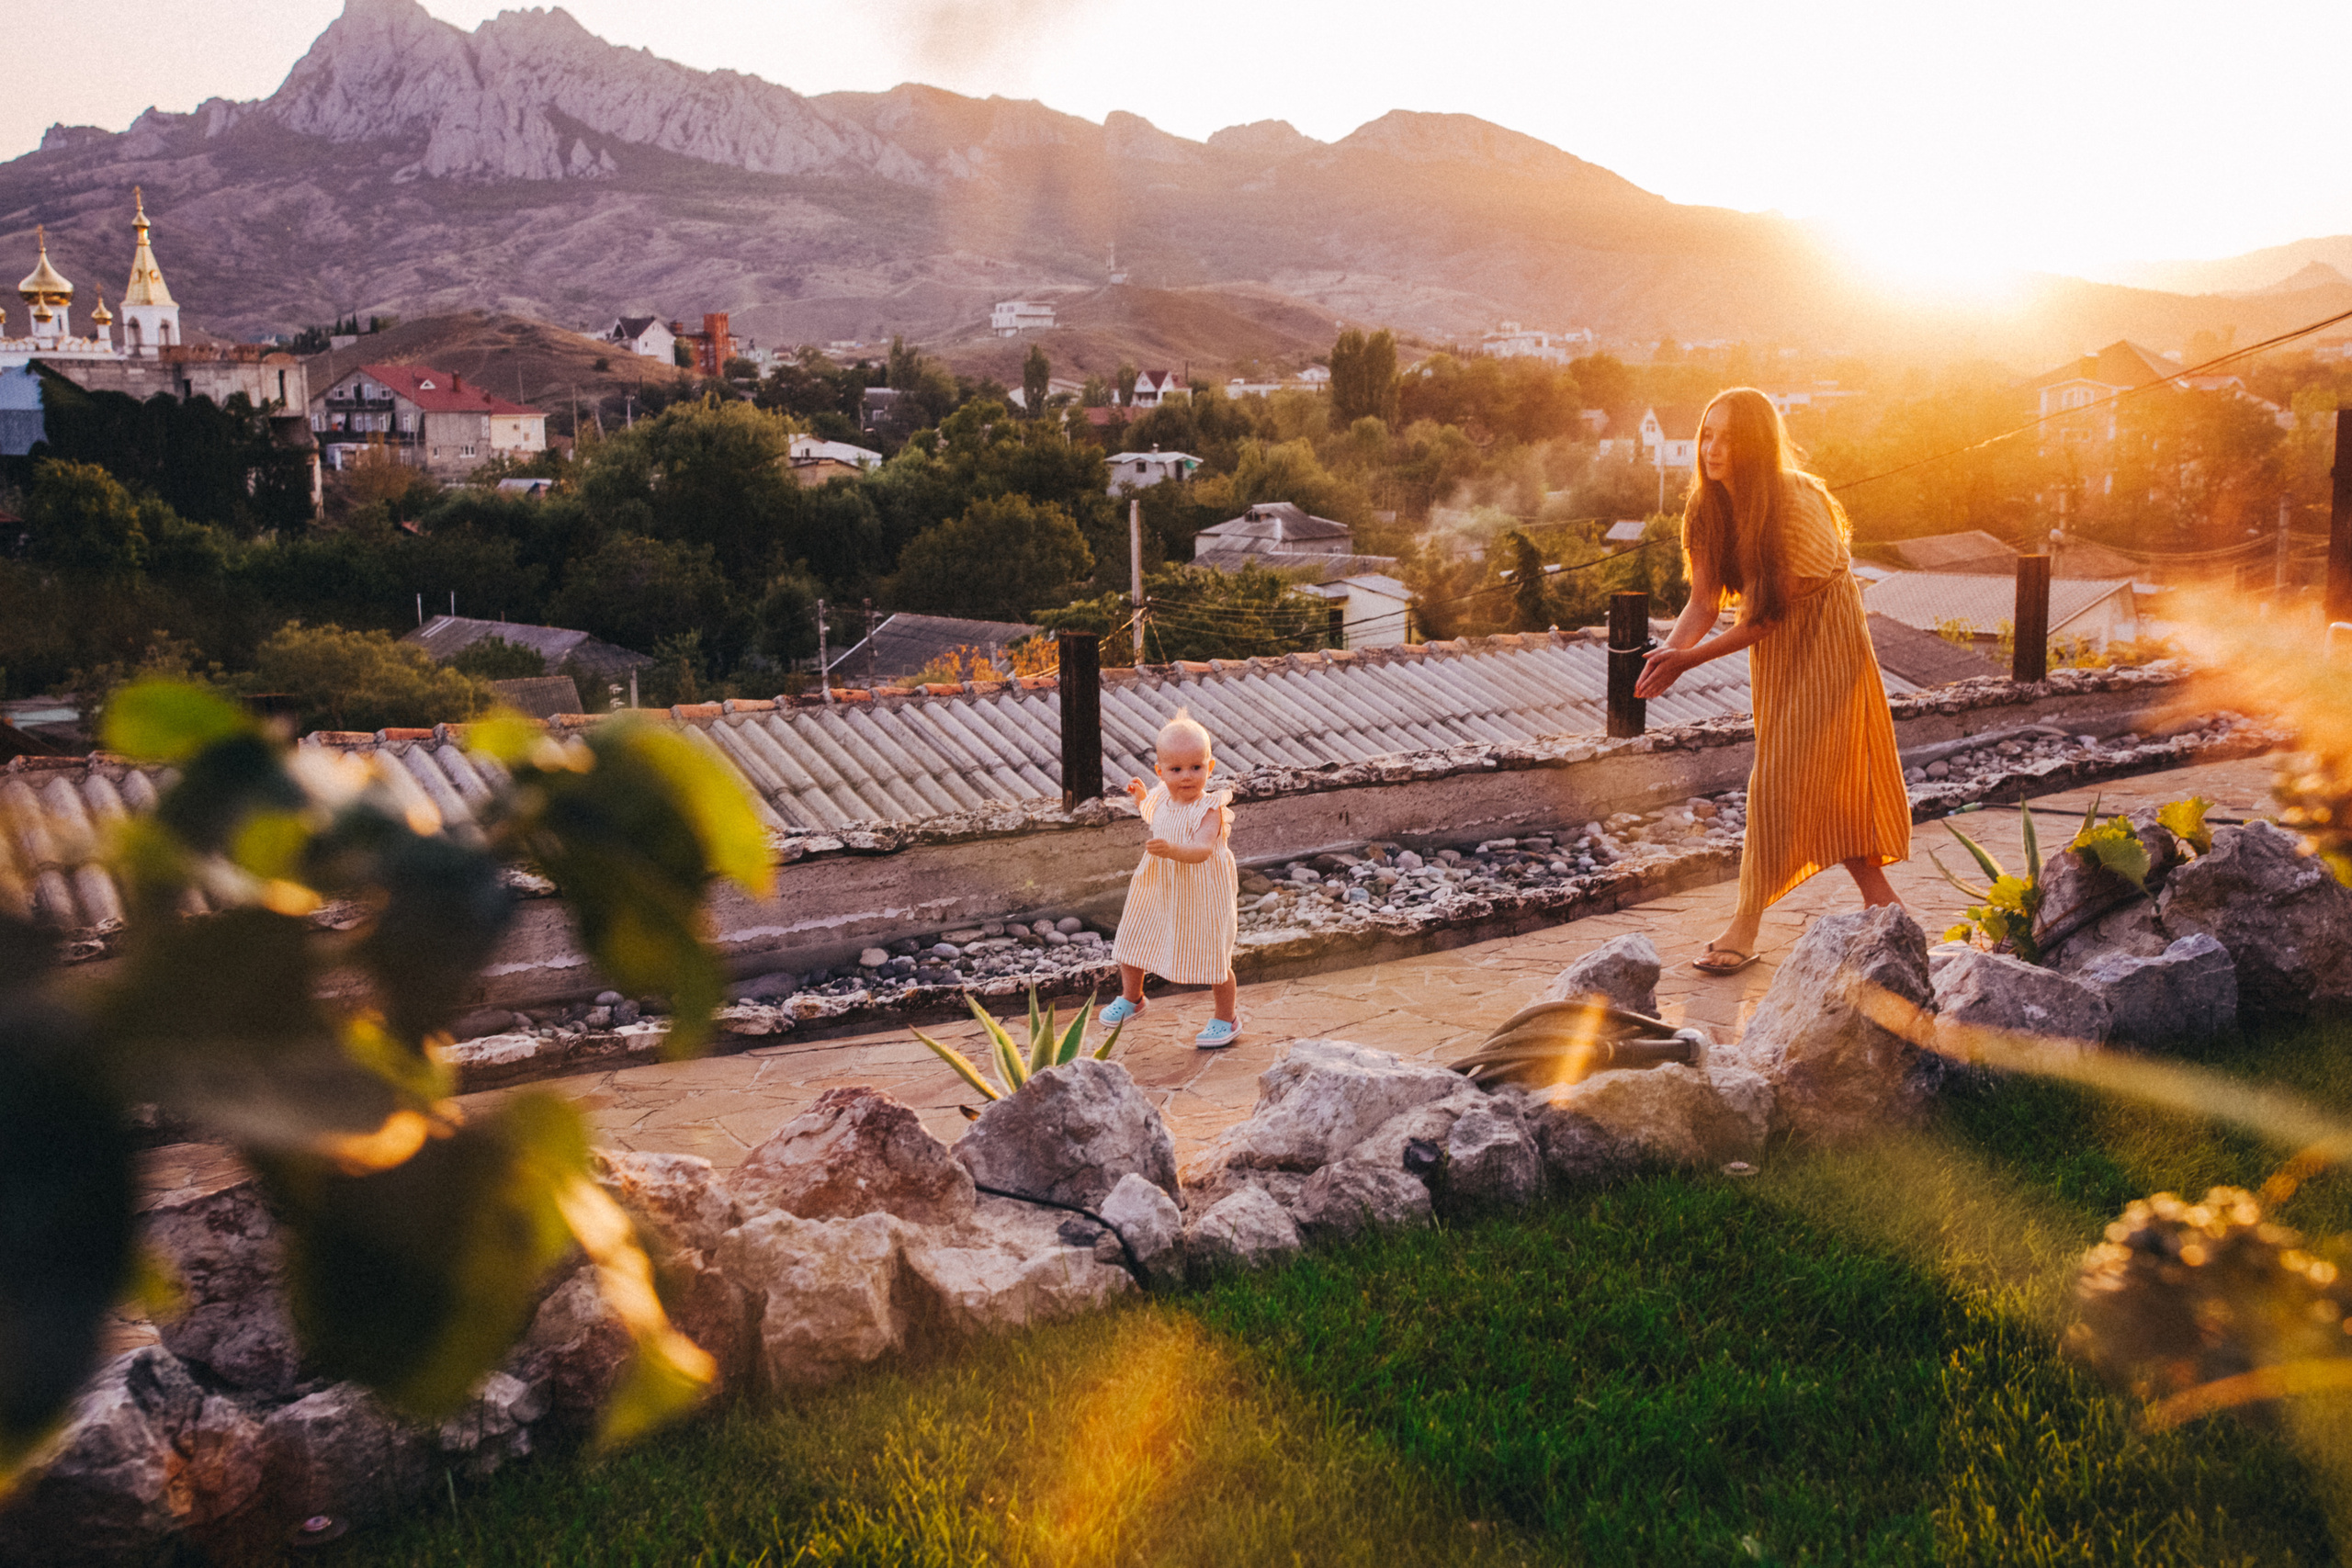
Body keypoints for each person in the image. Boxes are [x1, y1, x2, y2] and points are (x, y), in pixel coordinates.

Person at [1633, 388, 1910, 975]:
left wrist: (1688, 661)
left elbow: (1768, 615)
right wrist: (1669, 653)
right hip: (1779, 656)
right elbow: (1704, 603)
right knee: (1822, 781)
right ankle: (1886, 908)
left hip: (1830, 645)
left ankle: (1745, 923)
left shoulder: (1796, 502)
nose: (1712, 449)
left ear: (1757, 445)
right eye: (1708, 435)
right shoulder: (1705, 508)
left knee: (1778, 779)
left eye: (1729, 439)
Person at [1102, 708, 1242, 1047]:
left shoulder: (1210, 809)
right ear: (1160, 771)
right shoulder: (1163, 797)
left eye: (1196, 767)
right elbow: (1154, 813)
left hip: (1202, 892)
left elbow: (1202, 849)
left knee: (1213, 954)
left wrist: (1172, 850)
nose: (1187, 776)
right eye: (1176, 769)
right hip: (1159, 887)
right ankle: (1132, 997)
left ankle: (1227, 1017)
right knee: (1134, 935)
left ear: (1210, 767)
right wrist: (1140, 798)